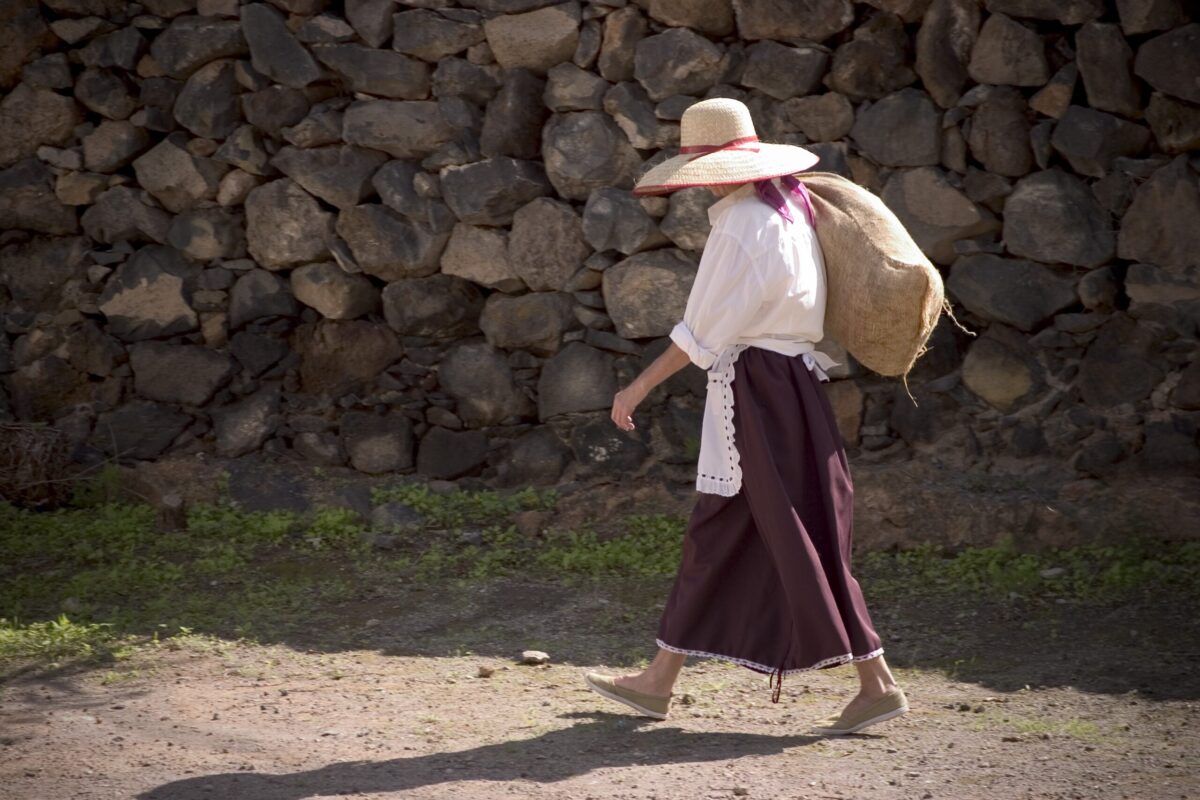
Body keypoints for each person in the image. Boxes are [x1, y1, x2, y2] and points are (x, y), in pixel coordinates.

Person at [582, 98, 908, 736]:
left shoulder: (743, 223)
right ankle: (658, 680)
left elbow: (702, 331)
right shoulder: (794, 212)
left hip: (758, 392)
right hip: (791, 389)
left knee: (787, 530)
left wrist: (637, 388)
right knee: (731, 529)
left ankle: (878, 683)